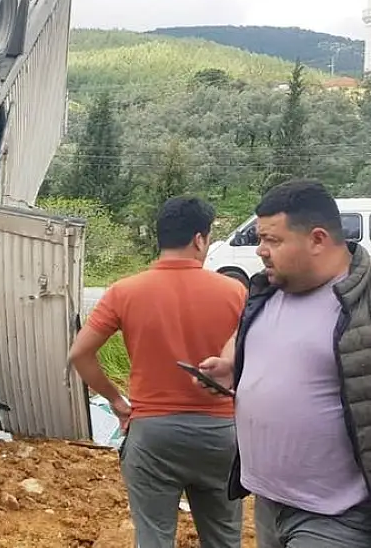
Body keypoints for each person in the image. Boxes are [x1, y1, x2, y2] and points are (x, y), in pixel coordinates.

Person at [198, 179, 371, 546]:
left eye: (272, 240)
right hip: (268, 503)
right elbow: (249, 335)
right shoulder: (268, 290)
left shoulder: (362, 304)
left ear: (318, 239)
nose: (260, 251)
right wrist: (231, 363)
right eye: (260, 240)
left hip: (336, 515)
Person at [69, 195, 247, 548]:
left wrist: (117, 402)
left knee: (153, 538)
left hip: (153, 436)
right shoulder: (235, 291)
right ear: (199, 239)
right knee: (225, 539)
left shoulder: (124, 292)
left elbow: (80, 354)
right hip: (220, 437)